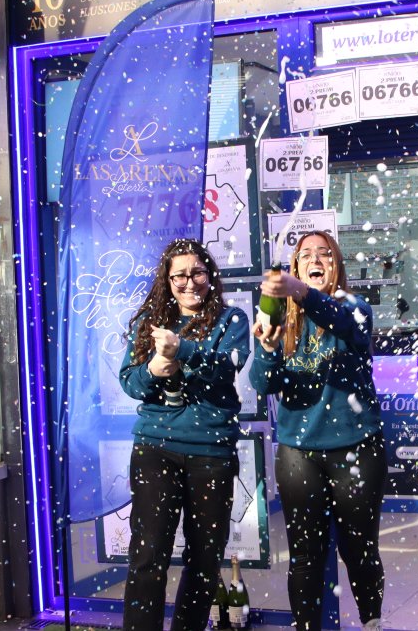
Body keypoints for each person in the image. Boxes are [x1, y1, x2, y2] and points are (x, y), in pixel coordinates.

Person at [249, 230, 385, 631]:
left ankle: (371, 624)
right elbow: (262, 383)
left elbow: (344, 322)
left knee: (359, 549)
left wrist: (303, 295)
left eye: (325, 253)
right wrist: (270, 350)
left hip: (356, 448)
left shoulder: (354, 307)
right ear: (295, 267)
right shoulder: (275, 318)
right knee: (305, 554)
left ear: (336, 265)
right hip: (297, 452)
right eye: (306, 254)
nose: (316, 258)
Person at [117, 238, 251, 631]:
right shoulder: (150, 323)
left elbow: (227, 367)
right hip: (155, 450)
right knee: (147, 556)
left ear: (210, 275)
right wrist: (154, 370)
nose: (190, 282)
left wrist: (183, 350)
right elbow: (131, 382)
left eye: (197, 272)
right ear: (167, 279)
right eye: (180, 275)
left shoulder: (232, 320)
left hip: (211, 453)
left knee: (205, 560)